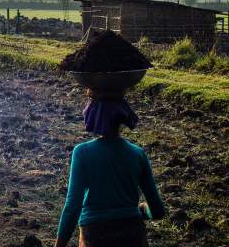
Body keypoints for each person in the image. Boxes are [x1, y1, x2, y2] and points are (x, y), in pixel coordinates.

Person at [55, 89, 166, 247]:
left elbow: (72, 208)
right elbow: (158, 211)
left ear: (94, 115)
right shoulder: (137, 154)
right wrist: (141, 210)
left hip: (94, 235)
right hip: (133, 234)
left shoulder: (82, 152)